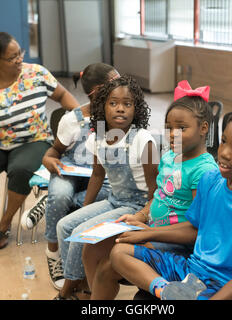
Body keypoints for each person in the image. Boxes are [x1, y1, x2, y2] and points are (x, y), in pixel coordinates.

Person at [110, 107, 232, 300]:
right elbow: (193, 226)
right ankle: (165, 291)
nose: (224, 153)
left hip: (223, 286)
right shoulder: (210, 180)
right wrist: (146, 233)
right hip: (192, 271)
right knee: (120, 252)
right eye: (224, 142)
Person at [82, 80, 219, 300]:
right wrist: (140, 215)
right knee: (92, 248)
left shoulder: (204, 170)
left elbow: (197, 229)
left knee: (109, 266)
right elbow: (159, 196)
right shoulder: (170, 158)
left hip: (178, 244)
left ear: (204, 128)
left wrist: (146, 232)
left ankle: (169, 292)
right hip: (153, 230)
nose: (172, 134)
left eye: (181, 128)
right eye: (169, 128)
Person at [0, 32, 79, 250]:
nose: (19, 59)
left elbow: (62, 95)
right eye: (12, 57)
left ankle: (4, 223)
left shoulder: (36, 74)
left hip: (35, 140)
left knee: (20, 170)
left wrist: (81, 119)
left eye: (20, 53)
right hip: (0, 144)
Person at [53, 75, 159, 299]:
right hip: (114, 200)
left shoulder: (143, 140)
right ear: (102, 106)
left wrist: (143, 216)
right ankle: (80, 283)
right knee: (65, 225)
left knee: (82, 233)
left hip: (136, 206)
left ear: (136, 108)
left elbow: (156, 192)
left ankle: (71, 290)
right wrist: (86, 209)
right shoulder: (97, 138)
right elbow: (98, 175)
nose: (120, 109)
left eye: (127, 104)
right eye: (113, 103)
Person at [19, 63, 119, 289]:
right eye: (116, 84)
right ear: (97, 92)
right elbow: (54, 151)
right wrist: (48, 160)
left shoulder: (119, 115)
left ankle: (47, 203)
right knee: (62, 195)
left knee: (112, 195)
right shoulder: (72, 120)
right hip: (71, 170)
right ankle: (54, 254)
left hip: (99, 176)